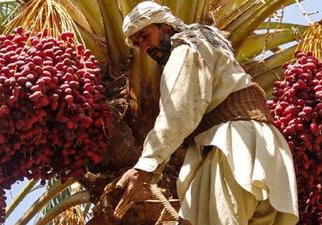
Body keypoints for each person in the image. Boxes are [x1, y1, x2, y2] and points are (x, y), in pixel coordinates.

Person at [114, 1, 299, 225]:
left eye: (145, 35)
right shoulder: (208, 43)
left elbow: (178, 113)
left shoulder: (185, 49)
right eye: (137, 43)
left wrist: (144, 167)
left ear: (165, 26)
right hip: (264, 150)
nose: (145, 47)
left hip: (231, 150)